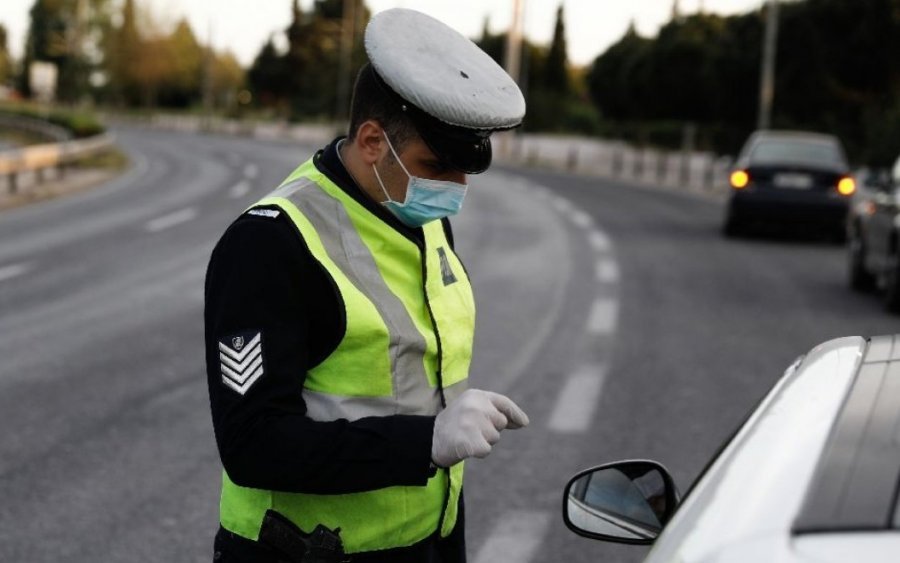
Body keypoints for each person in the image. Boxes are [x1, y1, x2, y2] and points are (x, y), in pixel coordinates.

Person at [204, 8, 529, 563]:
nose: (456, 187)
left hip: (424, 542)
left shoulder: (421, 219)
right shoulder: (272, 244)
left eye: (465, 171)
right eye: (436, 165)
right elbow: (253, 445)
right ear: (373, 140)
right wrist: (425, 441)